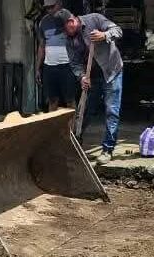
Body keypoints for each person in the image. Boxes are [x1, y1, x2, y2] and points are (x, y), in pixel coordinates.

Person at [60, 9, 123, 165]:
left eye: (65, 27)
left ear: (72, 21)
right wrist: (82, 77)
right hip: (91, 76)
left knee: (111, 111)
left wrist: (104, 35)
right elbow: (74, 63)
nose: (65, 32)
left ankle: (107, 149)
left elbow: (118, 30)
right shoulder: (69, 39)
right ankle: (76, 142)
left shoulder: (95, 19)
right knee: (85, 110)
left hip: (111, 71)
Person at [36, 0, 76, 111]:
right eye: (47, 8)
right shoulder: (43, 22)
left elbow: (77, 37)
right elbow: (41, 46)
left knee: (70, 100)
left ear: (59, 4)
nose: (49, 10)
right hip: (49, 66)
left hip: (67, 66)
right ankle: (52, 128)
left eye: (52, 7)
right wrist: (38, 68)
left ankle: (71, 128)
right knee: (52, 100)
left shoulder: (68, 17)